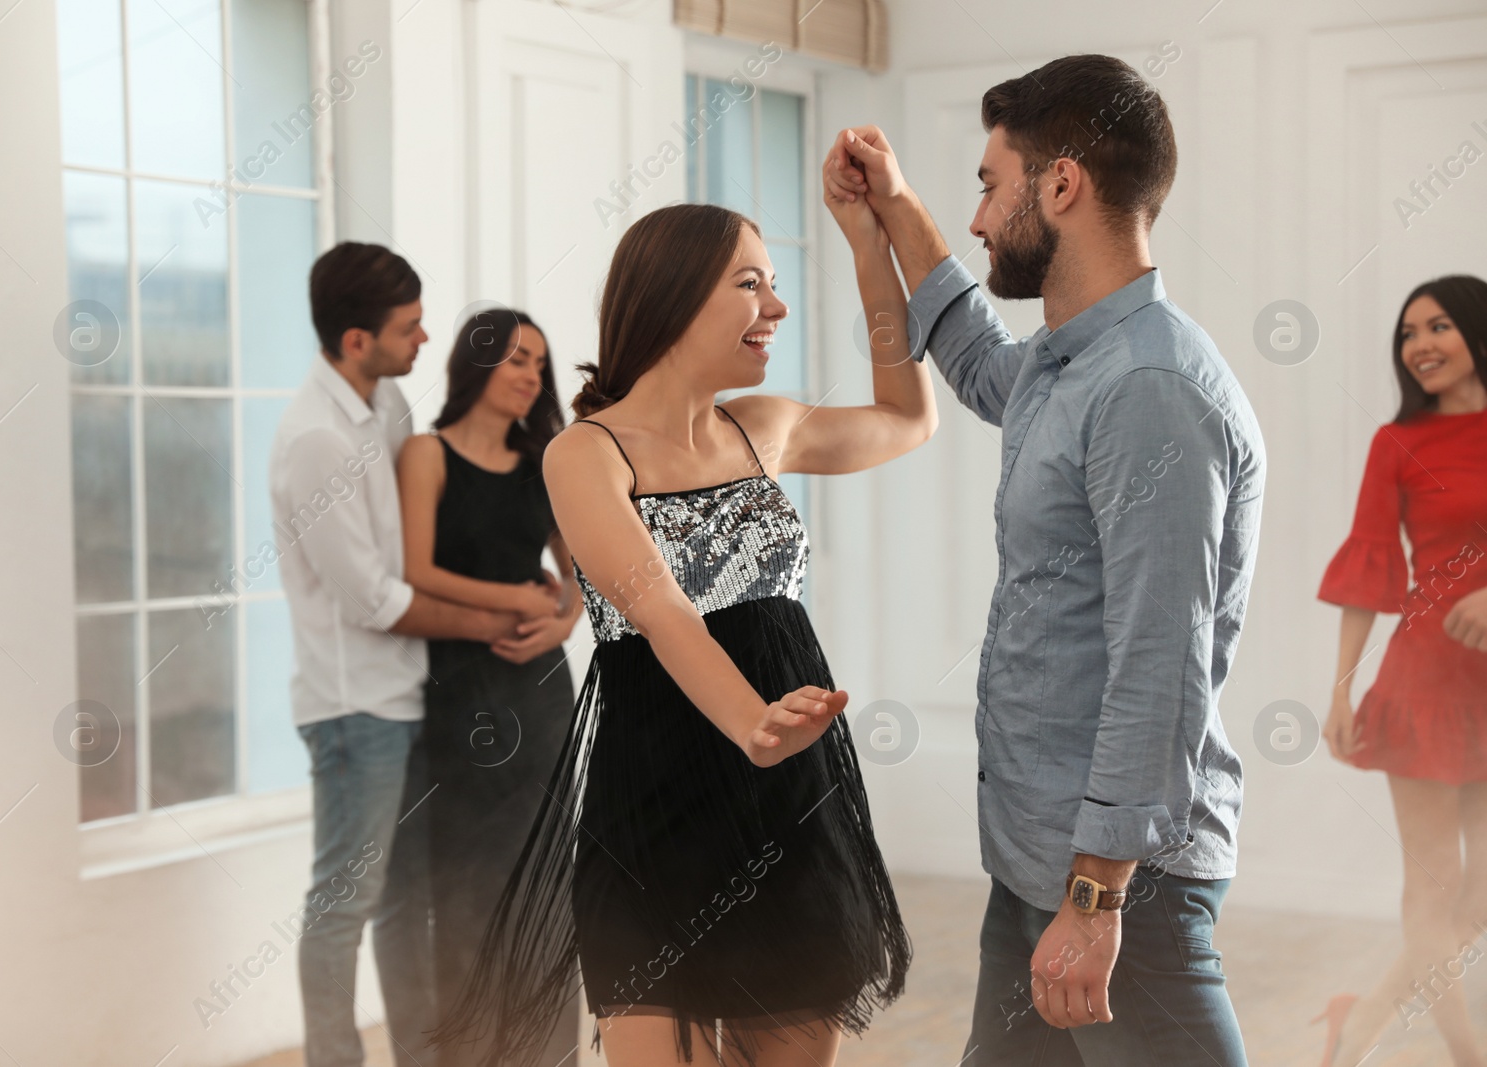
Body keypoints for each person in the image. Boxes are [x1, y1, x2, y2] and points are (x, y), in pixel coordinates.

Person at [823, 53, 1265, 1066]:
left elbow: (1159, 666)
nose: (977, 219)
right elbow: (979, 361)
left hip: (1119, 888)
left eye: (987, 185)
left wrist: (1094, 900)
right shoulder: (1070, 362)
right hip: (1040, 861)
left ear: (1060, 184)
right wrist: (892, 212)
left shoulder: (1151, 388)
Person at [433, 197, 933, 1067]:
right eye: (750, 284)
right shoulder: (585, 452)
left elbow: (909, 416)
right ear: (671, 296)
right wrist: (753, 723)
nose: (775, 307)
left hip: (789, 801)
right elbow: (660, 608)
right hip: (655, 810)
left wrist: (867, 245)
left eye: (775, 286)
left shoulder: (765, 427)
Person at [269, 242, 518, 1067]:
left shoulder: (389, 407)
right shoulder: (315, 442)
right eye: (408, 328)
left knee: (407, 900)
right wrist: (487, 619)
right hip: (353, 710)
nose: (424, 339)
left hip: (412, 695)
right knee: (346, 901)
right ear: (354, 340)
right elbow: (374, 598)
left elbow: (420, 547)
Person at [382, 307, 581, 1066]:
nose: (532, 374)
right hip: (458, 696)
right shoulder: (426, 455)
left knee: (543, 889)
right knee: (464, 889)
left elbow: (581, 573)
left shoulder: (547, 463)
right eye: (518, 359)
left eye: (540, 362)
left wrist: (562, 622)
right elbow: (415, 570)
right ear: (478, 363)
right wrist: (518, 599)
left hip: (539, 695)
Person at [1315, 275, 1487, 1067]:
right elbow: (1370, 568)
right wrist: (1344, 685)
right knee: (1432, 887)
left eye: (1439, 325)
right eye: (1408, 332)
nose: (1419, 344)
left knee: (1477, 897)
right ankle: (1468, 1052)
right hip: (1422, 682)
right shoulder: (1398, 444)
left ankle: (1359, 1022)